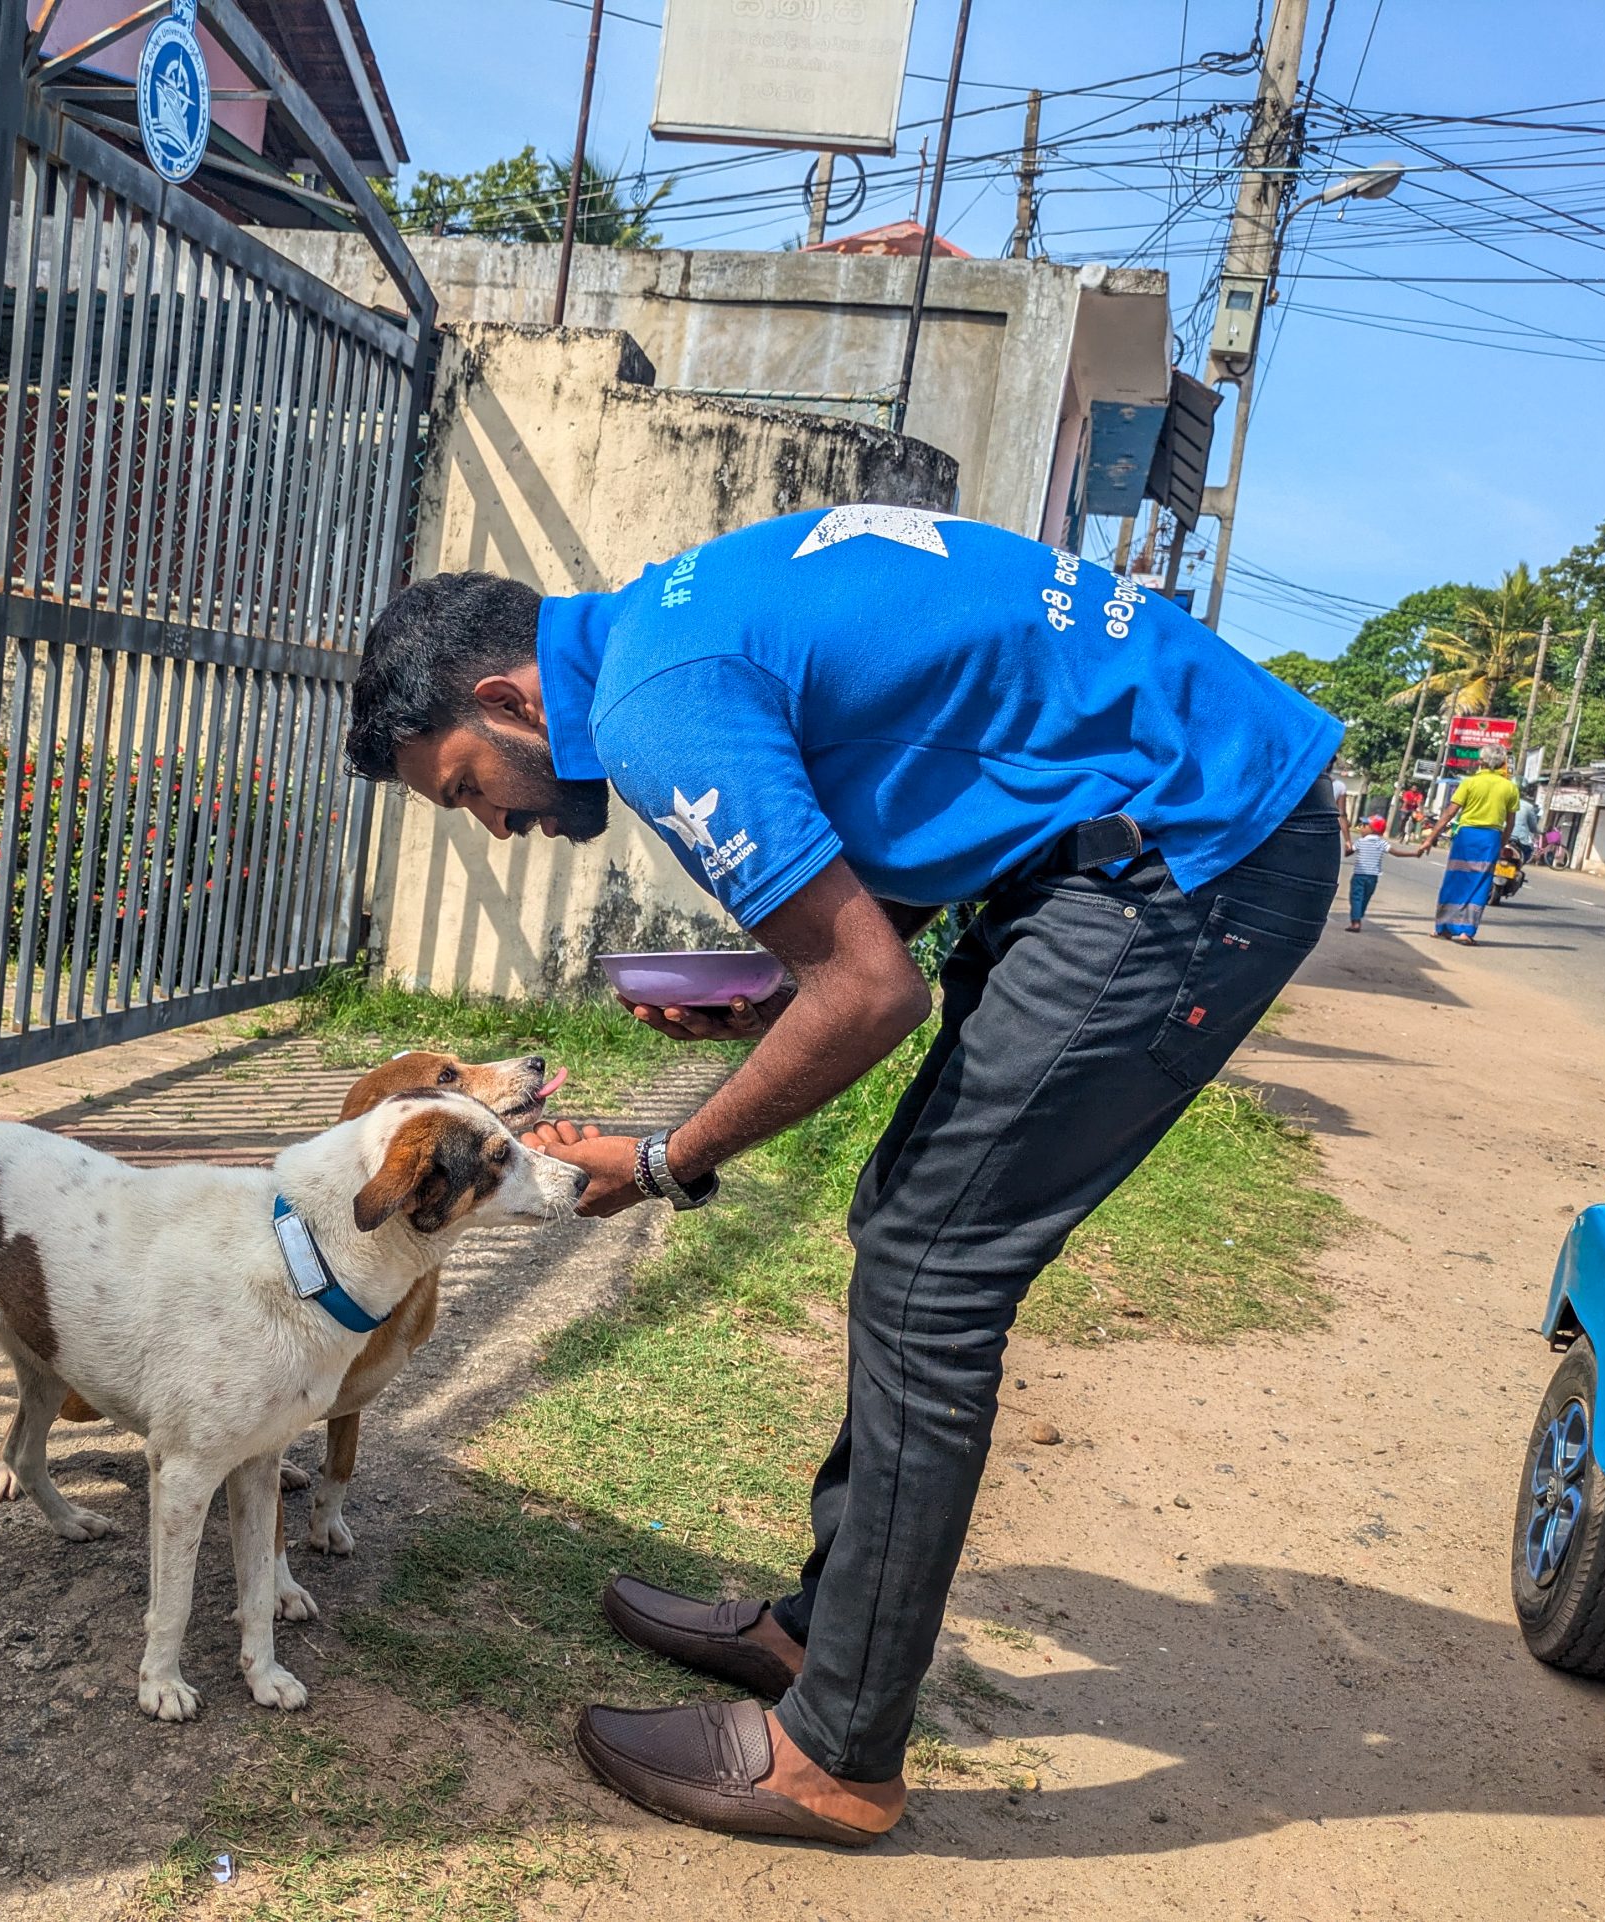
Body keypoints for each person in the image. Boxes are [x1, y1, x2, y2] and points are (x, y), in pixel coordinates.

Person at [342, 506, 1343, 1845]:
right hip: (1110, 852)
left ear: (506, 696)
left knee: (933, 1271)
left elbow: (873, 996)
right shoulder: (672, 625)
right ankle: (824, 1639)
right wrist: (771, 990)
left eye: (469, 787)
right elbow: (917, 825)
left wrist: (660, 1160)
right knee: (907, 1228)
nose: (498, 829)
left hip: (1195, 860)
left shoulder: (652, 703)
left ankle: (837, 1755)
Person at [1416, 745, 1519, 943]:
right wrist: (1501, 845)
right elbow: (1510, 822)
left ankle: (1443, 928)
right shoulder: (1509, 787)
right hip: (1490, 838)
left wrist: (1430, 838)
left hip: (1466, 836)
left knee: (1455, 880)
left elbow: (1449, 813)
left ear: (1481, 761)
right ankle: (1466, 932)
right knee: (1480, 883)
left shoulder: (1470, 783)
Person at [1346, 814, 1419, 930]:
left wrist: (1348, 845)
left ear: (1371, 829)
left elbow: (1348, 852)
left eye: (1364, 826)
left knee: (1356, 898)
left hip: (1359, 875)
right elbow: (1396, 853)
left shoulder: (1361, 841)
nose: (1361, 828)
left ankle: (1356, 922)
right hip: (1373, 878)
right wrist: (1414, 854)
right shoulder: (1382, 843)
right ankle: (1358, 917)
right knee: (1365, 898)